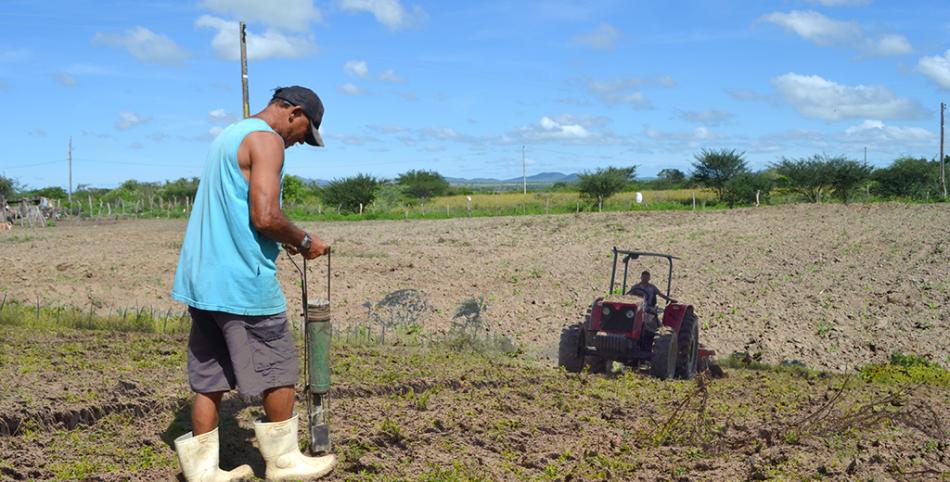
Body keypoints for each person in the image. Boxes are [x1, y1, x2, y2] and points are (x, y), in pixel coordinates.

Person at [170, 86, 336, 481]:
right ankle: (284, 463)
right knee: (278, 367)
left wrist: (283, 237)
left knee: (210, 378)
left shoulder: (229, 136)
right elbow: (264, 216)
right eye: (304, 133)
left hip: (203, 280)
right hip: (241, 281)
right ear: (295, 113)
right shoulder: (268, 141)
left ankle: (204, 472)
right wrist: (304, 240)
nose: (299, 143)